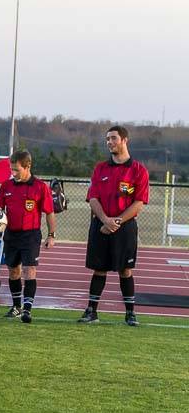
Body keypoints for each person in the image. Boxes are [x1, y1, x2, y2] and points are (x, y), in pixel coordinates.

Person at [79, 125, 149, 327]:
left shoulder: (138, 170)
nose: (109, 142)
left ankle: (130, 313)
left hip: (124, 227)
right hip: (101, 225)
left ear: (125, 140)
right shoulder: (100, 168)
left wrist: (116, 222)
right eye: (107, 139)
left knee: (125, 270)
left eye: (113, 138)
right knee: (98, 269)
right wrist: (105, 220)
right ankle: (92, 311)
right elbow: (92, 198)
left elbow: (138, 203)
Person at [0, 150, 55, 323]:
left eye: (16, 170)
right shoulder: (7, 186)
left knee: (29, 271)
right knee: (13, 271)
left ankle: (27, 309)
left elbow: (49, 213)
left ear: (27, 167)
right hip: (11, 234)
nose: (13, 173)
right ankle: (16, 306)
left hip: (31, 235)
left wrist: (51, 235)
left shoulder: (41, 187)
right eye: (11, 170)